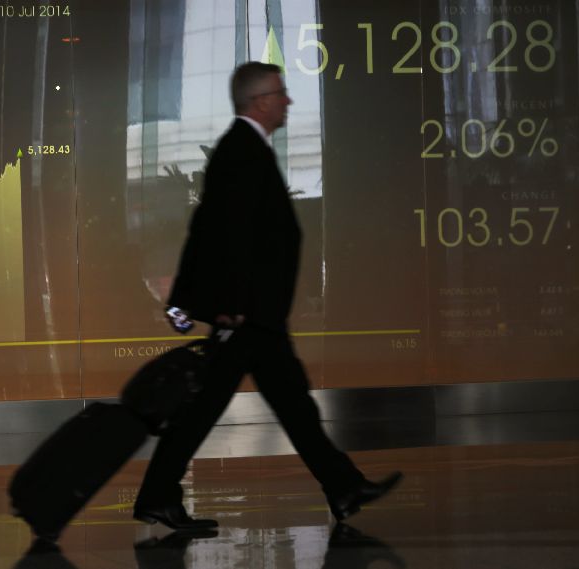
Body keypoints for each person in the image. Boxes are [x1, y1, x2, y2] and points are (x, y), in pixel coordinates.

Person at [133, 62, 402, 531]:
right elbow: (226, 236)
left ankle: (343, 486)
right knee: (227, 408)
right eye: (281, 93)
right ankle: (341, 486)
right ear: (259, 101)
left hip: (253, 314)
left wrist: (194, 300)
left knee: (286, 404)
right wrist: (226, 304)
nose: (288, 101)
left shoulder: (243, 150)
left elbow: (208, 233)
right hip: (247, 316)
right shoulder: (241, 152)